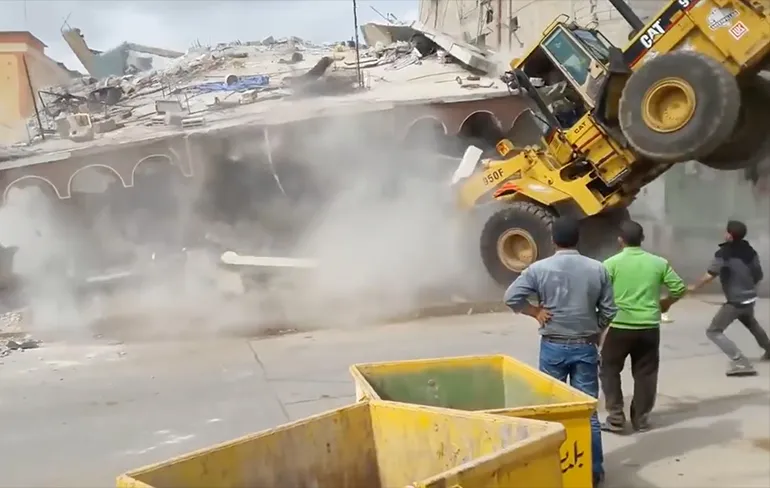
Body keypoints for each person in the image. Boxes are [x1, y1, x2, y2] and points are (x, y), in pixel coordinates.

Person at [504, 216, 617, 488]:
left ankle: (557, 467)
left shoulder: (538, 269)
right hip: (586, 346)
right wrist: (595, 329)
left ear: (553, 240)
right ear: (578, 239)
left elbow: (511, 297)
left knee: (553, 410)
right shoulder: (597, 269)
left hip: (553, 346)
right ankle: (593, 471)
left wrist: (535, 312)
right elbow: (610, 310)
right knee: (587, 412)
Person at [599, 220, 687, 434]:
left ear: (620, 240)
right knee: (645, 373)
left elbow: (599, 293)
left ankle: (616, 416)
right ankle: (641, 419)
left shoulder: (610, 264)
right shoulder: (658, 263)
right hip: (648, 327)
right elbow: (679, 288)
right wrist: (665, 303)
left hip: (620, 326)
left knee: (609, 369)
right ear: (642, 240)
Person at [688, 220, 770, 376]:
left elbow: (710, 274)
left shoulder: (724, 254)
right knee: (751, 323)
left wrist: (694, 287)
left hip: (736, 301)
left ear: (730, 235)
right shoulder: (750, 251)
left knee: (714, 331)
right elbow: (758, 274)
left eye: (726, 231)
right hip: (749, 297)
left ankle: (740, 362)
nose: (724, 233)